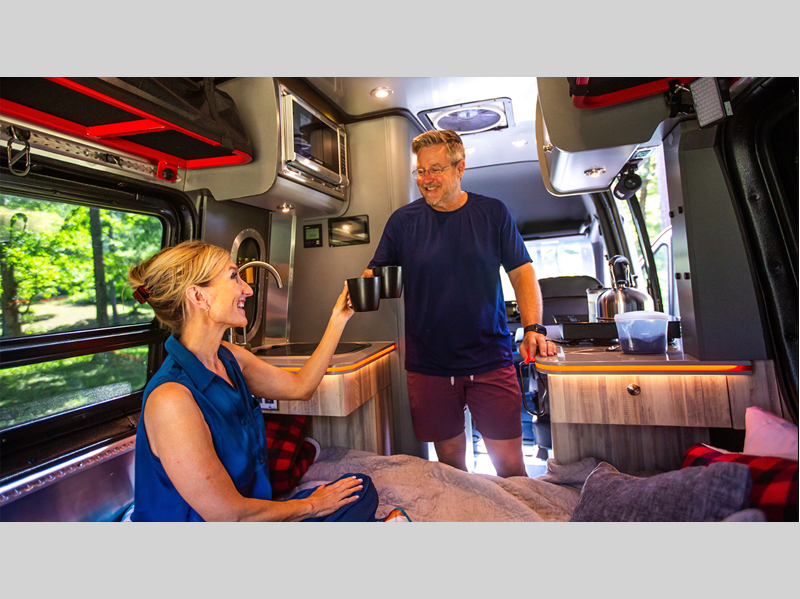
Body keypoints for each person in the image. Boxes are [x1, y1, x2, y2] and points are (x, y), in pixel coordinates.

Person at [127, 240, 379, 521]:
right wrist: (313, 505)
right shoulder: (171, 399)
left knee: (360, 489)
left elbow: (301, 387)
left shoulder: (230, 357)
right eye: (234, 276)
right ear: (199, 296)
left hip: (252, 513)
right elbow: (229, 517)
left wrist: (338, 318)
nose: (247, 289)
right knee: (351, 501)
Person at [363, 129, 557, 478]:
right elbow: (374, 273)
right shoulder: (403, 222)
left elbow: (522, 273)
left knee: (511, 467)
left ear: (460, 168)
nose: (426, 179)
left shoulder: (492, 213)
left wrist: (533, 328)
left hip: (489, 358)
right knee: (452, 468)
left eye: (435, 170)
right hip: (429, 365)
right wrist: (361, 287)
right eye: (421, 171)